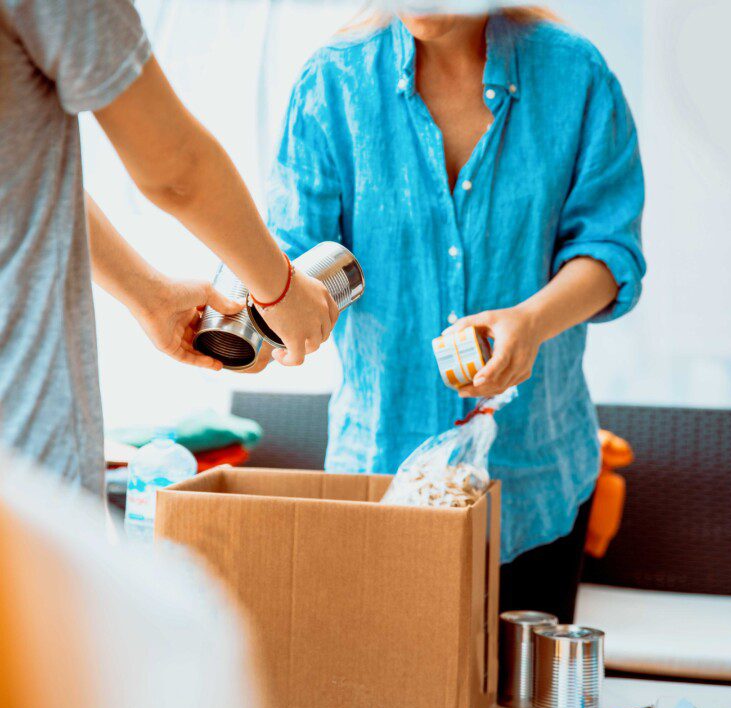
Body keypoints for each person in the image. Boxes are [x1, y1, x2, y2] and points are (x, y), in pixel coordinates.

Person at [264, 7, 645, 624]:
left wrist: (533, 320)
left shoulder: (575, 74)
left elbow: (610, 251)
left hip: (536, 481)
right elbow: (293, 259)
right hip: (379, 480)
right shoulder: (331, 82)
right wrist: (277, 305)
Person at [0, 0, 337, 493]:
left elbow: (22, 181)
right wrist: (280, 288)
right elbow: (176, 168)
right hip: (25, 458)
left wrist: (149, 295)